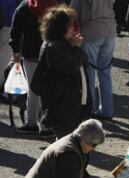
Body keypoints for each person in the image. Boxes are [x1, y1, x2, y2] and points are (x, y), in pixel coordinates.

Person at [37, 4, 88, 138]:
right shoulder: (54, 47)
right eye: (70, 25)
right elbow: (72, 66)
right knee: (66, 143)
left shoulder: (62, 44)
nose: (73, 28)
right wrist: (76, 48)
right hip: (62, 106)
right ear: (61, 27)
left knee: (67, 141)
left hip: (68, 104)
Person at [9, 0, 57, 137]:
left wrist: (16, 50)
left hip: (30, 53)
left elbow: (16, 30)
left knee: (33, 89)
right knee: (49, 89)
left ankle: (32, 123)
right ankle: (47, 126)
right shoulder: (55, 4)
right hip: (51, 53)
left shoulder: (25, 7)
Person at [70, 0, 116, 120]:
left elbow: (72, 11)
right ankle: (107, 110)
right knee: (105, 73)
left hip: (91, 31)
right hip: (109, 29)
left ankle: (90, 108)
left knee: (89, 74)